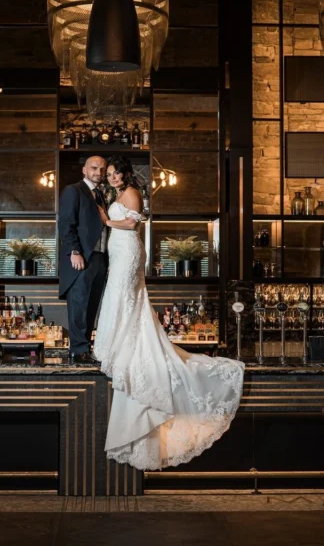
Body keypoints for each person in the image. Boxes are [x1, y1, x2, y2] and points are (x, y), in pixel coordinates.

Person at [92, 156, 245, 471]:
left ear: (125, 174)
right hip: (118, 252)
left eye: (115, 173)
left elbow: (133, 223)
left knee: (125, 295)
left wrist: (107, 222)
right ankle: (118, 342)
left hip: (129, 250)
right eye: (108, 174)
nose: (111, 178)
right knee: (118, 296)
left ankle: (125, 345)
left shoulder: (132, 191)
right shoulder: (114, 195)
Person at [57, 156, 135, 362]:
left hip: (101, 258)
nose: (99, 173)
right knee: (79, 303)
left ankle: (85, 349)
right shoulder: (73, 191)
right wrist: (74, 251)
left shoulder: (101, 194)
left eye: (102, 170)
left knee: (92, 305)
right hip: (82, 257)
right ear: (84, 170)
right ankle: (77, 350)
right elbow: (66, 224)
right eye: (94, 168)